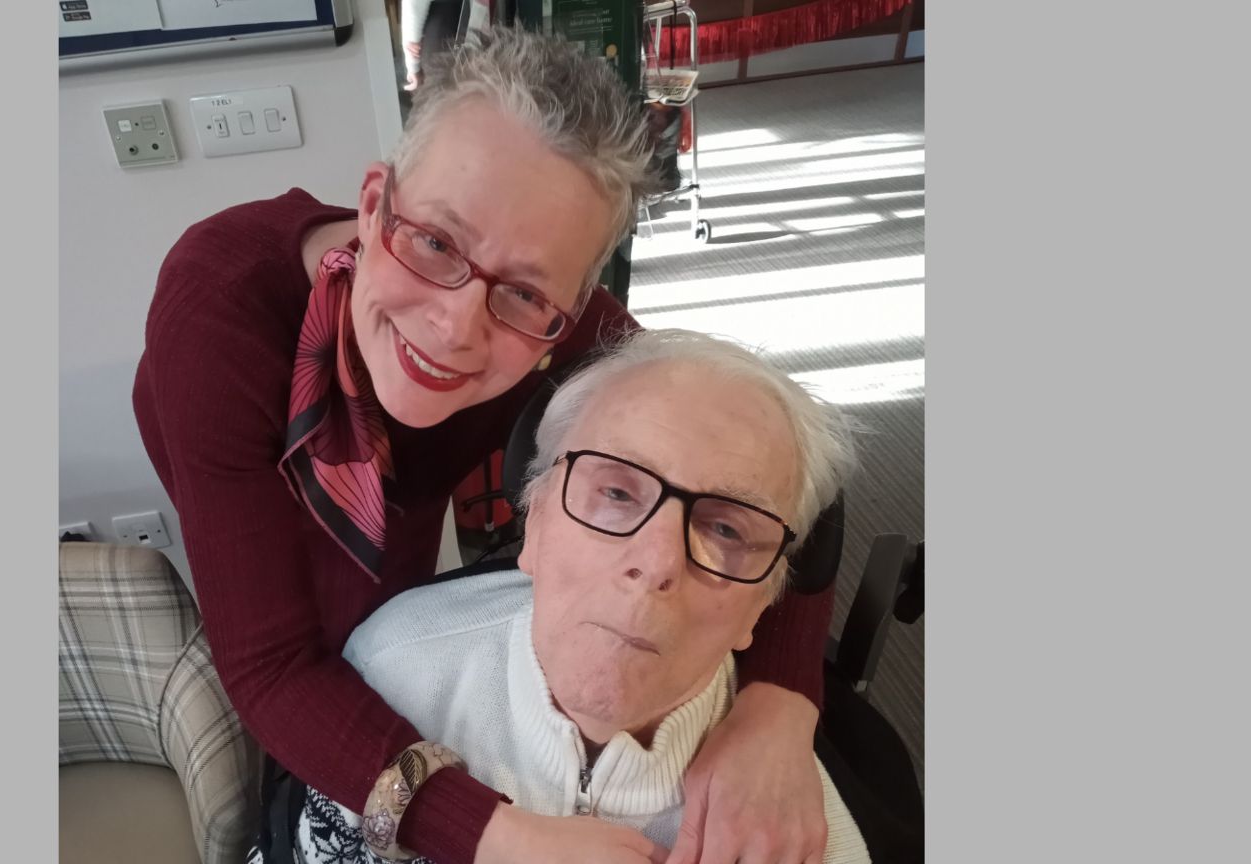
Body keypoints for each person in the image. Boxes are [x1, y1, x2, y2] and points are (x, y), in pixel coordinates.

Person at [133, 26, 841, 864]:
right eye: (434, 241)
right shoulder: (220, 310)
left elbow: (787, 476)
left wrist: (778, 710)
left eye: (524, 293)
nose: (453, 329)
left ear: (571, 314)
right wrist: (497, 836)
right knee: (311, 678)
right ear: (371, 206)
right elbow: (270, 668)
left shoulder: (581, 334)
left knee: (373, 646)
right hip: (250, 468)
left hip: (400, 502)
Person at [250, 329, 867, 864]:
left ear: (763, 605)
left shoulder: (802, 843)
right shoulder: (387, 672)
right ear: (536, 522)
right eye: (617, 493)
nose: (655, 564)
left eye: (727, 529)